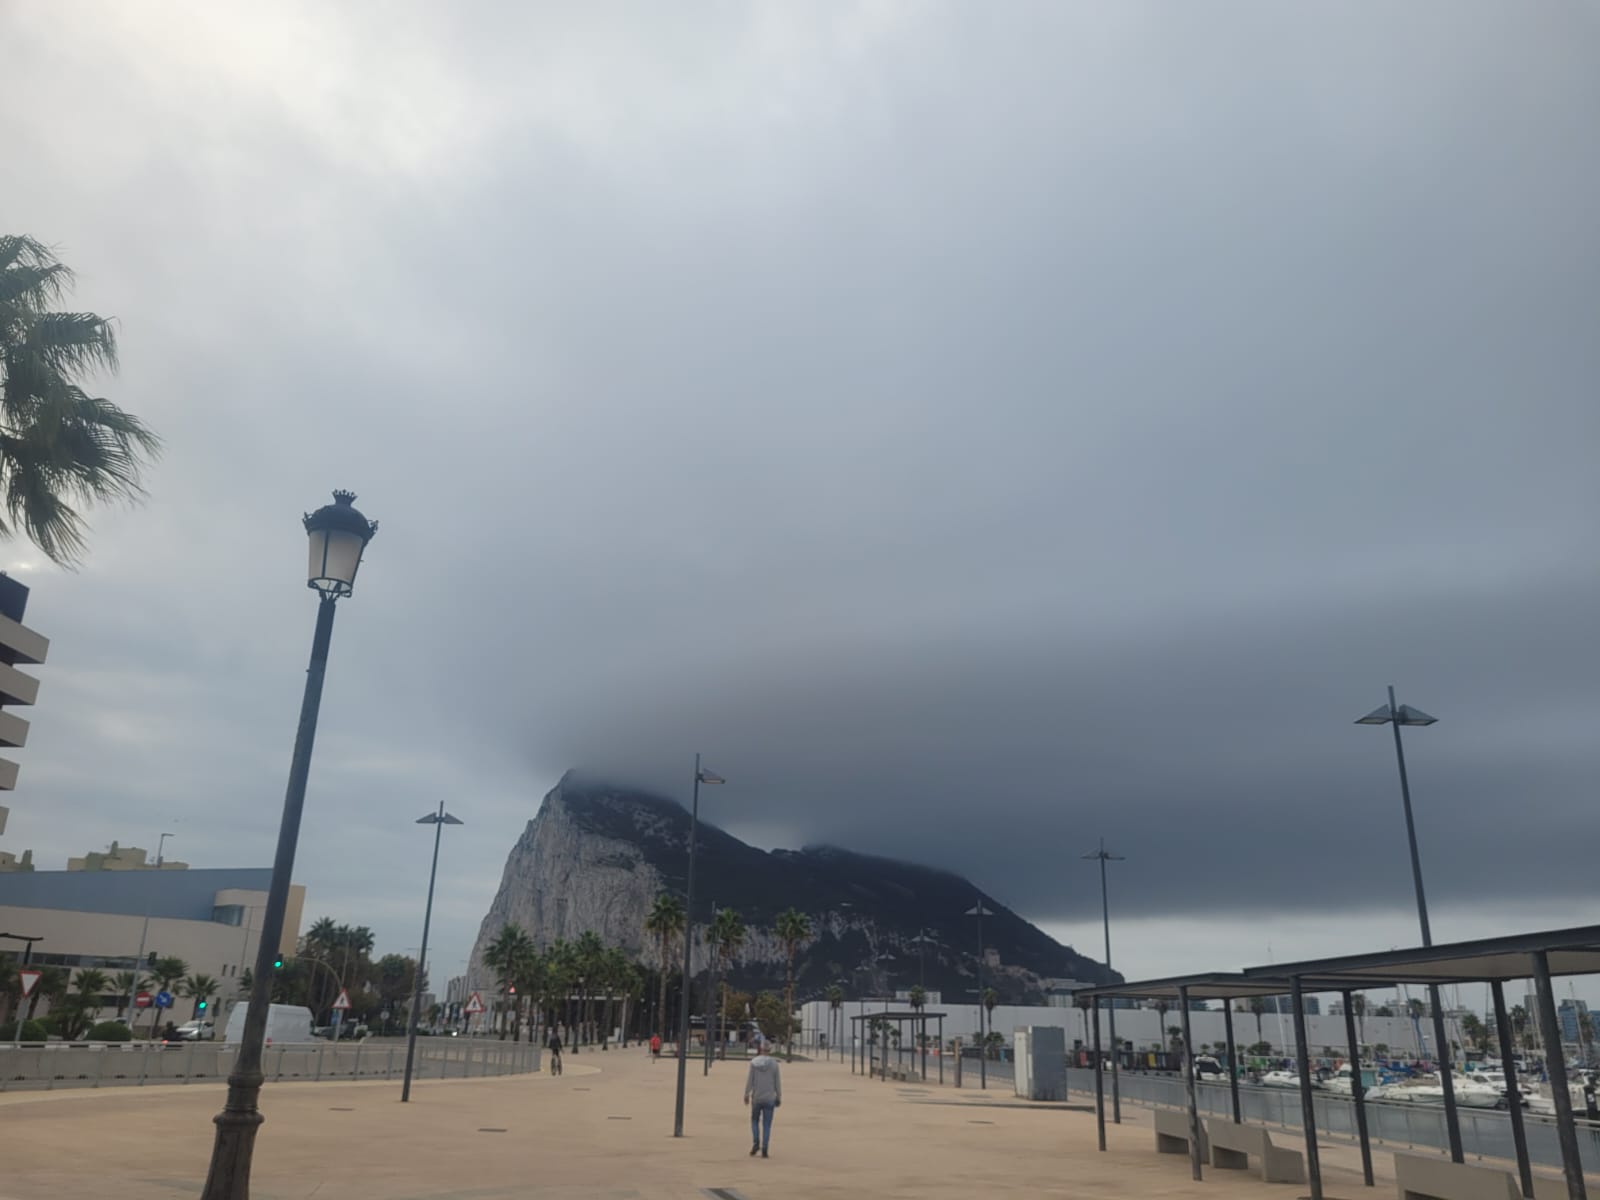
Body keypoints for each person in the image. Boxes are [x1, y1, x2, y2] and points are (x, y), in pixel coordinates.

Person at [742, 1037, 782, 1158]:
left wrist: (746, 1093)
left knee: (754, 1121)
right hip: (769, 1097)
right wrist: (779, 1096)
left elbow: (750, 1080)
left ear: (760, 1049)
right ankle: (765, 1147)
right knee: (767, 1124)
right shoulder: (774, 1064)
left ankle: (755, 1142)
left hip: (757, 1097)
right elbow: (777, 1082)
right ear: (770, 1050)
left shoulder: (754, 1062)